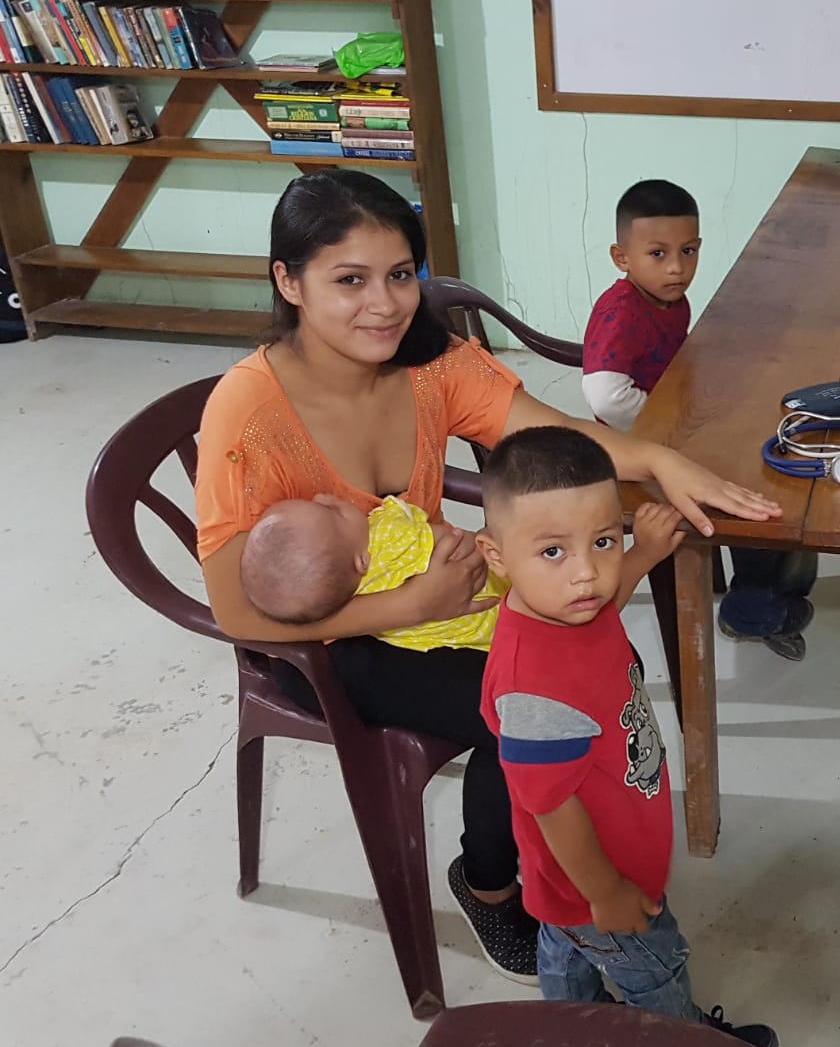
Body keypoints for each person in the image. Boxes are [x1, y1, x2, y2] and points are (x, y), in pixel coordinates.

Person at [195, 169, 781, 985]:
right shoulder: (249, 411)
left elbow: (548, 432)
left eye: (401, 275)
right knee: (526, 709)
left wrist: (657, 460)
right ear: (288, 282)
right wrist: (412, 602)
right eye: (350, 280)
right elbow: (235, 613)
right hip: (327, 643)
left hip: (442, 598)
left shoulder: (430, 362)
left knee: (578, 654)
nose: (384, 305)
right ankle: (491, 883)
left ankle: (574, 848)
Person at [475, 425, 779, 1047]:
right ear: (495, 556)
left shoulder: (560, 608)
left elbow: (602, 606)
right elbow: (551, 806)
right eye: (553, 551)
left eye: (604, 540)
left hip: (568, 883)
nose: (587, 574)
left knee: (566, 949)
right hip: (599, 877)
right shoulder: (533, 689)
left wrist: (642, 555)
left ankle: (571, 1038)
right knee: (655, 971)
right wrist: (606, 893)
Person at [581, 179, 818, 661]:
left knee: (780, 460)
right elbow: (604, 395)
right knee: (749, 490)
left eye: (688, 251)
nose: (676, 267)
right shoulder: (621, 312)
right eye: (658, 254)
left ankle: (774, 589)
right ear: (621, 257)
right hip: (634, 458)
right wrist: (665, 432)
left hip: (677, 432)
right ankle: (751, 613)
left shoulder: (670, 297)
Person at [238, 493, 508, 651]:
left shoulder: (347, 589)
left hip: (471, 640)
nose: (324, 496)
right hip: (497, 599)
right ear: (362, 561)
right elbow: (460, 543)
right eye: (331, 510)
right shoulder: (388, 536)